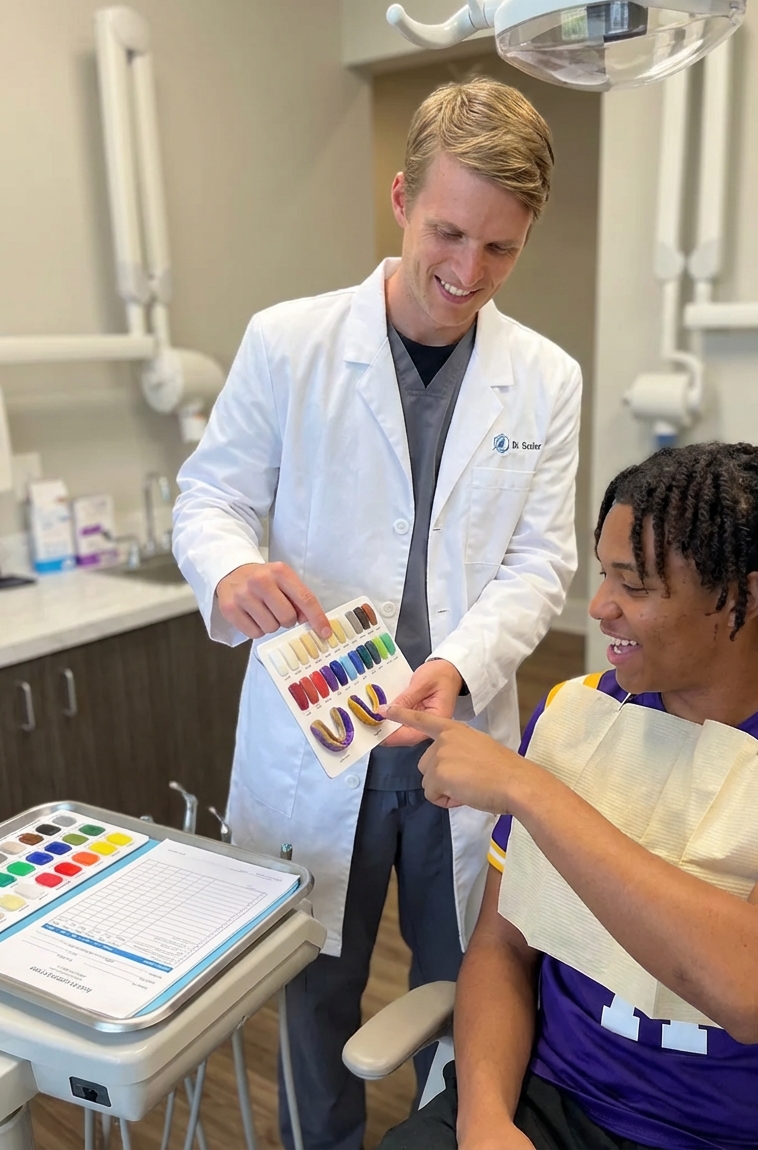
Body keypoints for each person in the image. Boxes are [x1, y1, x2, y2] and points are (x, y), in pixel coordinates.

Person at [171, 76, 582, 1150]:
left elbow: (542, 561)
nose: (467, 272)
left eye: (500, 249)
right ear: (402, 198)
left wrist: (463, 663)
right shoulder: (288, 343)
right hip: (317, 744)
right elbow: (210, 499)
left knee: (470, 989)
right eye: (448, 232)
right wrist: (230, 571)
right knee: (314, 996)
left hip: (455, 738)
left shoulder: (546, 379)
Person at [381, 442, 758, 1150]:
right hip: (555, 1103)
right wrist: (485, 1122)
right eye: (603, 574)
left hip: (750, 1136)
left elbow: (756, 989)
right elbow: (502, 949)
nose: (600, 607)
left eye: (633, 585)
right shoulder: (575, 713)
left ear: (744, 597)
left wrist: (528, 788)